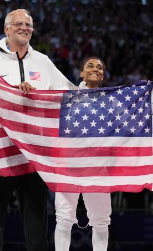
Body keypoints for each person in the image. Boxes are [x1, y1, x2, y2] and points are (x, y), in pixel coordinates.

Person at [0, 9, 76, 251]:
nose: (24, 28)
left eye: (28, 25)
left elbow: (69, 93)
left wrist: (93, 89)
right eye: (18, 24)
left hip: (33, 150)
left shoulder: (43, 61)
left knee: (37, 219)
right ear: (6, 29)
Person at [54, 57, 112, 251]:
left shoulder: (112, 99)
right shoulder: (67, 95)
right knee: (63, 217)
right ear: (81, 73)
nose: (95, 69)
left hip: (97, 164)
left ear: (103, 74)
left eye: (100, 67)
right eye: (90, 66)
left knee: (101, 220)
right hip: (69, 162)